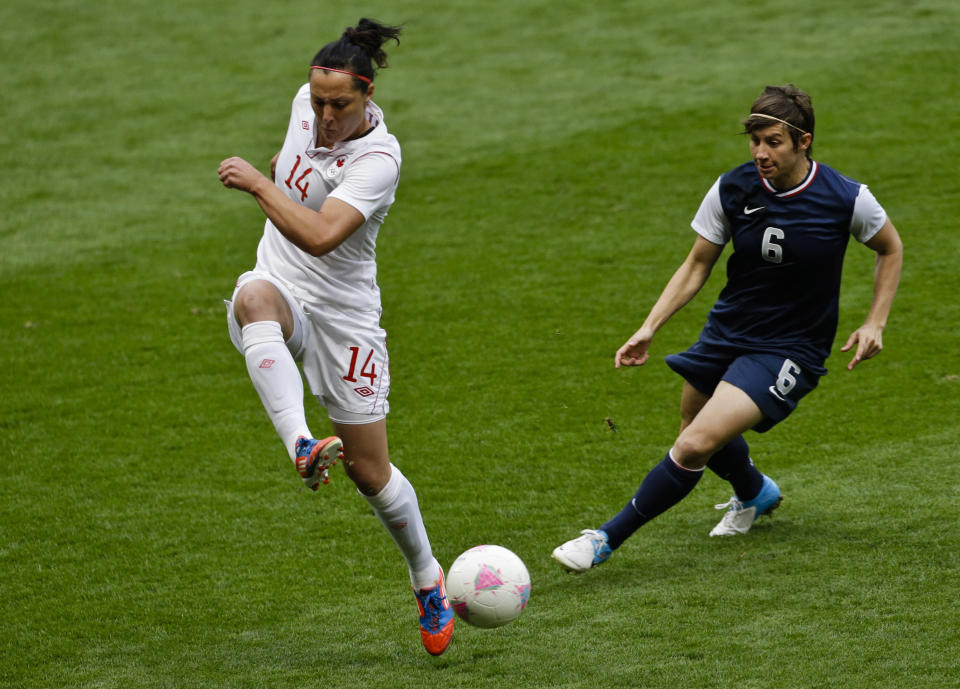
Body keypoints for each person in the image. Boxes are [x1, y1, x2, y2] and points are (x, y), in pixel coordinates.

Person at [552, 84, 903, 572]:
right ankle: (755, 492)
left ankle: (604, 539)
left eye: (773, 142)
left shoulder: (846, 198)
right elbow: (697, 264)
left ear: (803, 142)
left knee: (694, 443)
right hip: (729, 330)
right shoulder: (732, 188)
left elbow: (890, 247)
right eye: (755, 140)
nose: (761, 153)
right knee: (699, 433)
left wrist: (875, 322)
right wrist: (649, 326)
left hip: (791, 346)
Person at [217, 19, 454, 654]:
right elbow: (294, 157)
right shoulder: (305, 104)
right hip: (283, 286)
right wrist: (282, 169)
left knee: (370, 471)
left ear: (367, 97)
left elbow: (323, 236)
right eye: (318, 100)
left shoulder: (380, 159)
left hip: (345, 317)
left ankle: (427, 578)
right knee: (251, 298)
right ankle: (299, 442)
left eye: (339, 104)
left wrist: (262, 185)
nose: (324, 114)